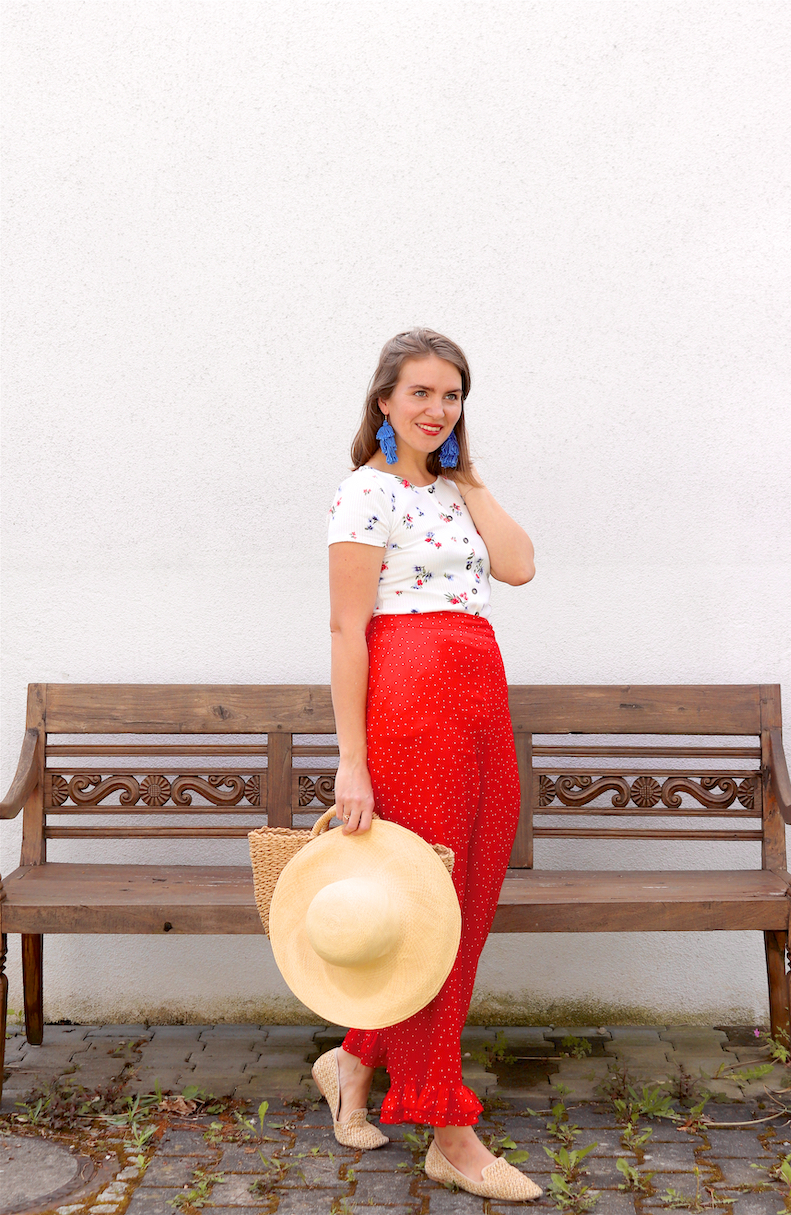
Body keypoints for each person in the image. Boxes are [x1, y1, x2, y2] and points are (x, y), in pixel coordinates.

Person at [315, 327, 539, 1201]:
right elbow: (345, 629)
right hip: (410, 707)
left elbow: (518, 566)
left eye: (452, 395)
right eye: (421, 394)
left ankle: (353, 1059)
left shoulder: (453, 492)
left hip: (482, 699)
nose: (438, 409)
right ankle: (448, 1127)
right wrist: (352, 763)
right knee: (426, 915)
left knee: (467, 904)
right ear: (384, 402)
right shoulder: (363, 495)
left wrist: (471, 472)